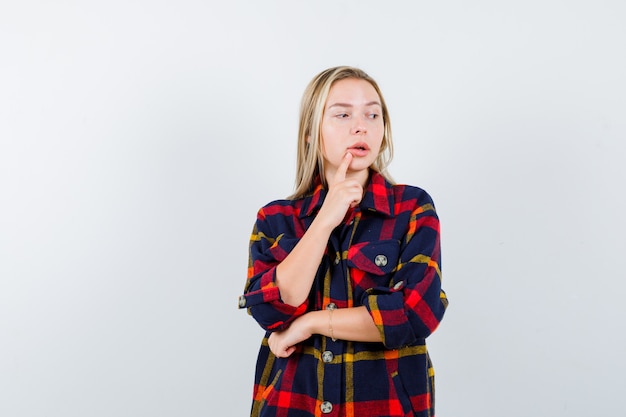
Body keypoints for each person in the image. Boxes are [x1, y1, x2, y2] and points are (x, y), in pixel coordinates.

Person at [238, 66, 448, 417]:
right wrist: (324, 219)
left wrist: (308, 323)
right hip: (292, 404)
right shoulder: (275, 219)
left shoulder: (412, 208)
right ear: (310, 132)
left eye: (372, 113)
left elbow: (414, 314)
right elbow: (271, 310)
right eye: (342, 114)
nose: (360, 125)